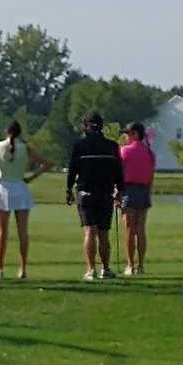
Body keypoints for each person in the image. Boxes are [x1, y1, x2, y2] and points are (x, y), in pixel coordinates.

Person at [0, 120, 51, 280]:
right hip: (20, 188)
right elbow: (46, 164)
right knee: (22, 233)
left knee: (2, 233)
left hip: (3, 188)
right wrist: (31, 178)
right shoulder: (25, 147)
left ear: (6, 132)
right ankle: (22, 269)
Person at [65, 112, 121, 280]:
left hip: (85, 192)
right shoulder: (111, 146)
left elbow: (72, 170)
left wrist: (68, 189)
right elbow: (118, 172)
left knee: (90, 231)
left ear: (86, 126)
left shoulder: (79, 146)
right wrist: (120, 190)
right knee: (103, 233)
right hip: (105, 193)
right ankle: (105, 269)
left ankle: (91, 270)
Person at [118, 121, 156, 275]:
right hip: (144, 190)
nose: (125, 136)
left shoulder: (124, 151)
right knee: (140, 229)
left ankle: (130, 265)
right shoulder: (149, 153)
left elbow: (119, 173)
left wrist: (117, 192)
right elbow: (151, 176)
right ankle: (140, 265)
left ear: (135, 134)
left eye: (127, 133)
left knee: (129, 229)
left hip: (129, 189)